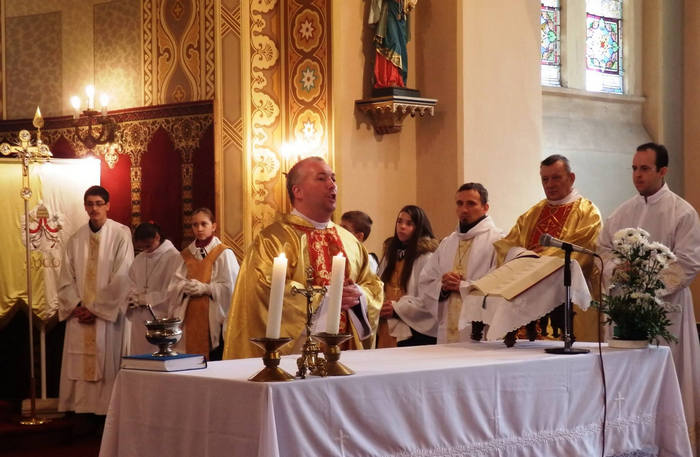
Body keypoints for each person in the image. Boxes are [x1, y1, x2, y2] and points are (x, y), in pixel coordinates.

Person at [223, 157, 383, 359]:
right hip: (295, 363)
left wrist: (359, 295)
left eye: (333, 179)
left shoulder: (350, 242)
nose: (332, 185)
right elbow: (262, 293)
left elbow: (373, 285)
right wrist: (326, 297)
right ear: (298, 191)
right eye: (321, 178)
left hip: (348, 358)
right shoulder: (272, 241)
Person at [598, 143, 700, 453]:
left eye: (644, 168)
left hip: (667, 312)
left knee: (669, 380)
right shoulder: (622, 212)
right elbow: (603, 251)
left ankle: (671, 446)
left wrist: (644, 283)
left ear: (662, 171)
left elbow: (687, 263)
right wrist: (617, 269)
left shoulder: (682, 212)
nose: (637, 175)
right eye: (634, 168)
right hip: (625, 311)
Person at [493, 155, 602, 342]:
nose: (550, 184)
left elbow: (579, 254)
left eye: (556, 178)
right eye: (545, 179)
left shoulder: (588, 213)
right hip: (528, 304)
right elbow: (507, 246)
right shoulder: (532, 214)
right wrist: (522, 255)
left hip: (568, 304)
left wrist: (534, 260)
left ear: (571, 178)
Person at [57, 185, 133, 416]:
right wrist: (77, 306)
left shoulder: (121, 234)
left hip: (107, 317)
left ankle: (105, 413)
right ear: (85, 206)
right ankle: (80, 410)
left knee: (106, 361)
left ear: (108, 205)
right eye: (90, 204)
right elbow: (65, 277)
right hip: (80, 315)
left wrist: (96, 309)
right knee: (78, 363)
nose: (94, 208)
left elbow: (123, 276)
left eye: (99, 203)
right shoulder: (75, 238)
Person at [419, 183, 503, 343]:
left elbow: (500, 283)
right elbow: (426, 281)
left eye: (471, 204)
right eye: (459, 203)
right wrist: (442, 287)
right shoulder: (447, 243)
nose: (464, 209)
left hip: (480, 332)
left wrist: (462, 286)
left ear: (485, 207)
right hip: (446, 331)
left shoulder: (498, 241)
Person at [169, 208, 239, 361]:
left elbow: (232, 288)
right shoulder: (185, 255)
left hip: (214, 318)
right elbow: (172, 287)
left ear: (213, 226)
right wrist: (183, 287)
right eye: (195, 225)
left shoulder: (224, 253)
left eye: (203, 224)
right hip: (190, 318)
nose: (199, 229)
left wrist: (207, 288)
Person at [376, 205, 438, 348]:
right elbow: (378, 285)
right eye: (399, 221)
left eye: (409, 223)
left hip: (412, 330)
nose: (402, 227)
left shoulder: (426, 257)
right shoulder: (390, 255)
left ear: (419, 227)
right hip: (386, 323)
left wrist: (397, 309)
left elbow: (428, 298)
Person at [123, 222, 180, 356]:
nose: (146, 250)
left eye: (148, 246)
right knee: (139, 357)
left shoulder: (174, 257)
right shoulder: (139, 259)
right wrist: (132, 298)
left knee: (157, 357)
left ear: (157, 237)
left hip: (160, 318)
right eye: (142, 248)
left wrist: (147, 299)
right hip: (139, 320)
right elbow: (130, 282)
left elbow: (174, 290)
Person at [368, 0, 418, 88]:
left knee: (402, 49)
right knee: (394, 44)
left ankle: (399, 80)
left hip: (401, 12)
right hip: (389, 9)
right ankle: (390, 79)